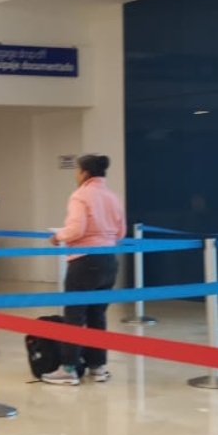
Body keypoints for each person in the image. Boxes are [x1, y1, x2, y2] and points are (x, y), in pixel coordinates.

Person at [42, 154, 126, 386]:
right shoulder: (112, 196)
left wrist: (58, 237)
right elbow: (120, 232)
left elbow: (76, 229)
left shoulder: (81, 195)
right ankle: (97, 367)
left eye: (77, 171)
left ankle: (69, 368)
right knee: (97, 314)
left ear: (85, 173)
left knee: (75, 314)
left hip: (85, 261)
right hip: (109, 259)